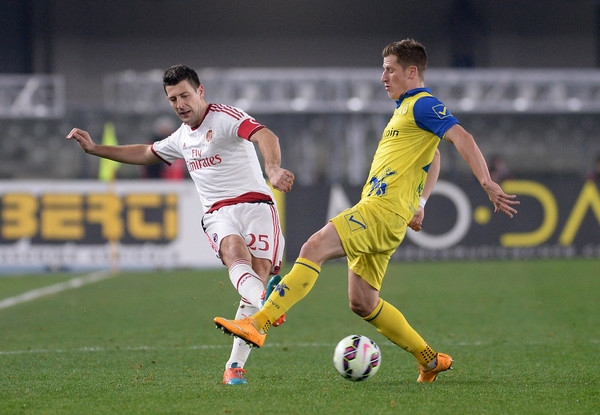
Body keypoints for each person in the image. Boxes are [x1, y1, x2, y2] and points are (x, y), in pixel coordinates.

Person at [214, 39, 520, 383]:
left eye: (390, 70)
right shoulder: (406, 111)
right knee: (363, 301)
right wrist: (420, 203)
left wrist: (486, 181)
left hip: (381, 211)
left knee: (314, 247)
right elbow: (433, 156)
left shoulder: (423, 104)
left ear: (412, 71)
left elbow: (463, 137)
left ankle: (258, 323)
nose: (383, 77)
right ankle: (429, 359)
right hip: (387, 215)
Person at [67, 64, 295, 385]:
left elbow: (265, 135)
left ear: (200, 91)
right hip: (217, 213)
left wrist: (272, 169)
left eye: (185, 95)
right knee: (233, 251)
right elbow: (146, 153)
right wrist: (95, 149)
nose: (180, 104)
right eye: (173, 99)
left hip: (256, 205)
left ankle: (234, 364)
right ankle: (267, 305)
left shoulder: (225, 117)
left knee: (256, 276)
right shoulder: (181, 138)